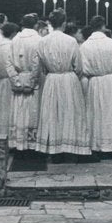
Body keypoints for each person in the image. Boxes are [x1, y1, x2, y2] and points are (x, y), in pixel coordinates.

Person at [35, 9, 90, 159]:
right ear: (64, 23)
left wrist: (51, 72)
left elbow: (41, 66)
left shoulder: (42, 41)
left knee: (52, 113)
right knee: (69, 113)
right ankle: (68, 148)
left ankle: (55, 151)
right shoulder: (71, 41)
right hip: (68, 79)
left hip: (52, 79)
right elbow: (78, 66)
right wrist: (72, 74)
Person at [81, 16, 112, 156]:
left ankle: (97, 146)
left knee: (96, 113)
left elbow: (83, 68)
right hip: (111, 81)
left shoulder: (85, 46)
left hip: (95, 81)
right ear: (103, 26)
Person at [6, 13, 42, 152]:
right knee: (32, 113)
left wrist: (16, 82)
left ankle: (18, 145)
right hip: (32, 82)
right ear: (36, 25)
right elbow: (37, 64)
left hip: (20, 78)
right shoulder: (38, 40)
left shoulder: (15, 39)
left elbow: (8, 62)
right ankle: (32, 147)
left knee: (19, 113)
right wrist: (31, 83)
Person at [0, 22, 19, 135]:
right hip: (11, 81)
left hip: (1, 80)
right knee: (10, 108)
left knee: (1, 108)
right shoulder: (12, 46)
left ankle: (0, 133)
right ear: (13, 33)